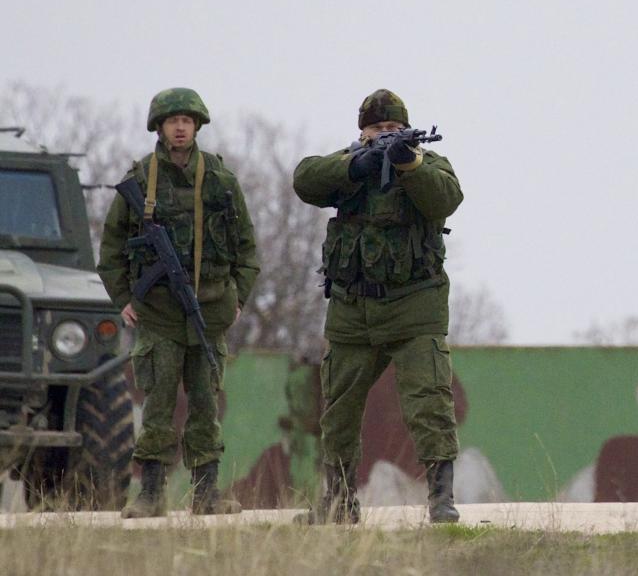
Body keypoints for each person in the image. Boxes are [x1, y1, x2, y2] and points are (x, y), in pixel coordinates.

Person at [292, 89, 462, 524]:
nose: (386, 134)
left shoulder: (429, 165)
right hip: (353, 312)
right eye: (377, 129)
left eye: (393, 128)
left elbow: (446, 198)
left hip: (414, 309)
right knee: (339, 410)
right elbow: (305, 179)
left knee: (429, 403)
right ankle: (339, 501)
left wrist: (408, 164)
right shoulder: (348, 164)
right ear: (362, 132)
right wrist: (357, 165)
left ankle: (441, 501)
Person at [98, 87, 259, 518]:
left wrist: (237, 297)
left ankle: (206, 494)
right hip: (159, 314)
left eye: (188, 121)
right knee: (158, 406)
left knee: (206, 403)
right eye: (173, 121)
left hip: (209, 310)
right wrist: (122, 298)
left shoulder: (220, 179)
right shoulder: (140, 179)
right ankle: (150, 494)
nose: (181, 127)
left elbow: (247, 248)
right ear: (160, 127)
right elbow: (111, 247)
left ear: (198, 125)